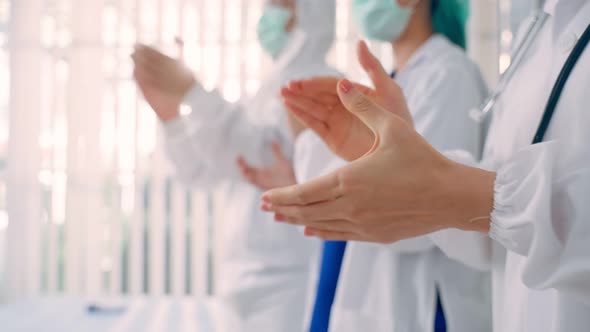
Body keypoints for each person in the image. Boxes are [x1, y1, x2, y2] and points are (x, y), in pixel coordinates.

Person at [262, 0, 590, 331]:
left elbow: (450, 211)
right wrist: (372, 154)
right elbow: (490, 230)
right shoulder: (534, 35)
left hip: (421, 306)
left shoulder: (449, 72)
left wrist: (454, 192)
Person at [241, 1, 491, 331]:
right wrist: (302, 166)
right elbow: (373, 176)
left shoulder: (449, 73)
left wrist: (310, 151)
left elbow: (422, 211)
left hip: (420, 308)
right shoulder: (393, 81)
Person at [131, 1, 339, 331]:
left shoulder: (327, 85)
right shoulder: (259, 95)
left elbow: (260, 156)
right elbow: (201, 173)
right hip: (238, 280)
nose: (268, 14)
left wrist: (193, 93)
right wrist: (170, 118)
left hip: (292, 279)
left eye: (279, 4)